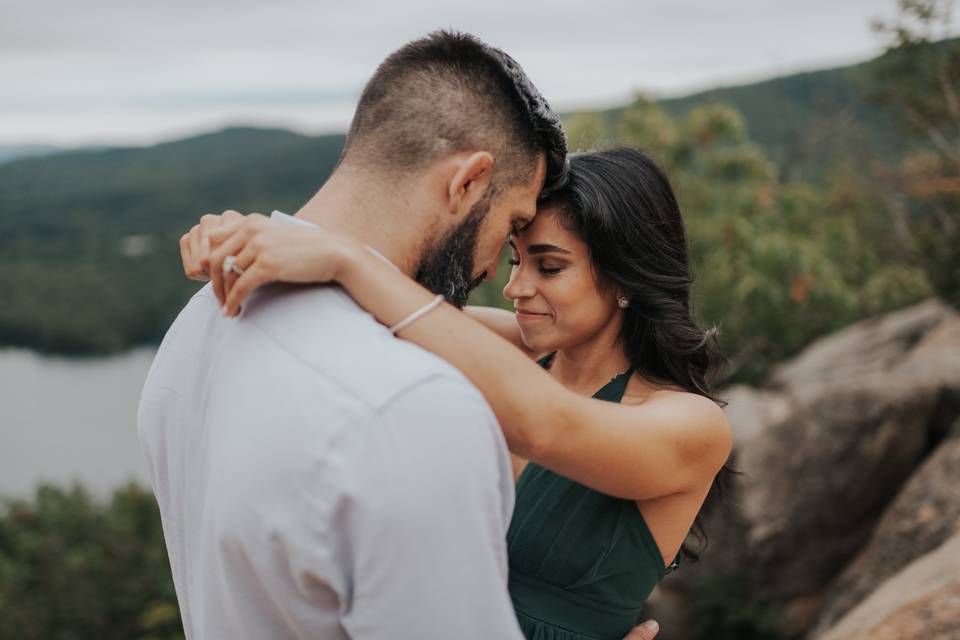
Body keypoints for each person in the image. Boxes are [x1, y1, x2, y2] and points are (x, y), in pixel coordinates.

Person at [140, 29, 661, 639]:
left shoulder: (202, 319)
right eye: (512, 224)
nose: (497, 271)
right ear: (467, 182)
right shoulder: (411, 409)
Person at [179, 149, 732, 639]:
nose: (515, 287)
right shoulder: (518, 352)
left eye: (550, 266)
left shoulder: (692, 425)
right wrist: (246, 234)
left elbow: (547, 426)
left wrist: (346, 258)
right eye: (516, 259)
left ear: (626, 278)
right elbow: (385, 306)